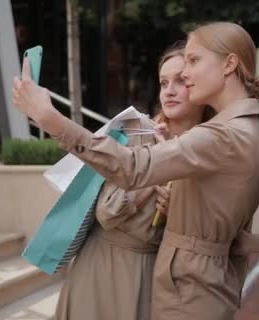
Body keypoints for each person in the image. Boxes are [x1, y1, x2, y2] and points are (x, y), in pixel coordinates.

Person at [12, 21, 259, 320]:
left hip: (176, 285)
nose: (179, 83)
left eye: (192, 63)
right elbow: (112, 207)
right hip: (117, 270)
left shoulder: (219, 137)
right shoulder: (140, 131)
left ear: (229, 65)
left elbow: (137, 170)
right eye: (164, 82)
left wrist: (49, 117)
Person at [54, 41, 209, 320]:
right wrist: (158, 168)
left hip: (154, 272)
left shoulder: (208, 147)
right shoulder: (139, 131)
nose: (169, 91)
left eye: (180, 81)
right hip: (102, 265)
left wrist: (179, 210)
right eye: (163, 83)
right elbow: (108, 212)